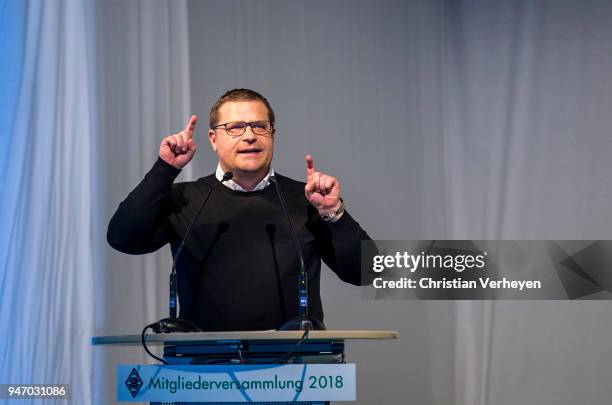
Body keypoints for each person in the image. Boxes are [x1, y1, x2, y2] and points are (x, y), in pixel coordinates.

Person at [107, 88, 373, 331]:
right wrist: (165, 169)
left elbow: (369, 272)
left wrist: (333, 211)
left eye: (260, 126)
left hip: (295, 366)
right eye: (235, 127)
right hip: (204, 372)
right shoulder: (186, 198)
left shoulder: (308, 199)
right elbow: (123, 238)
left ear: (272, 135)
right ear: (213, 138)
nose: (249, 136)